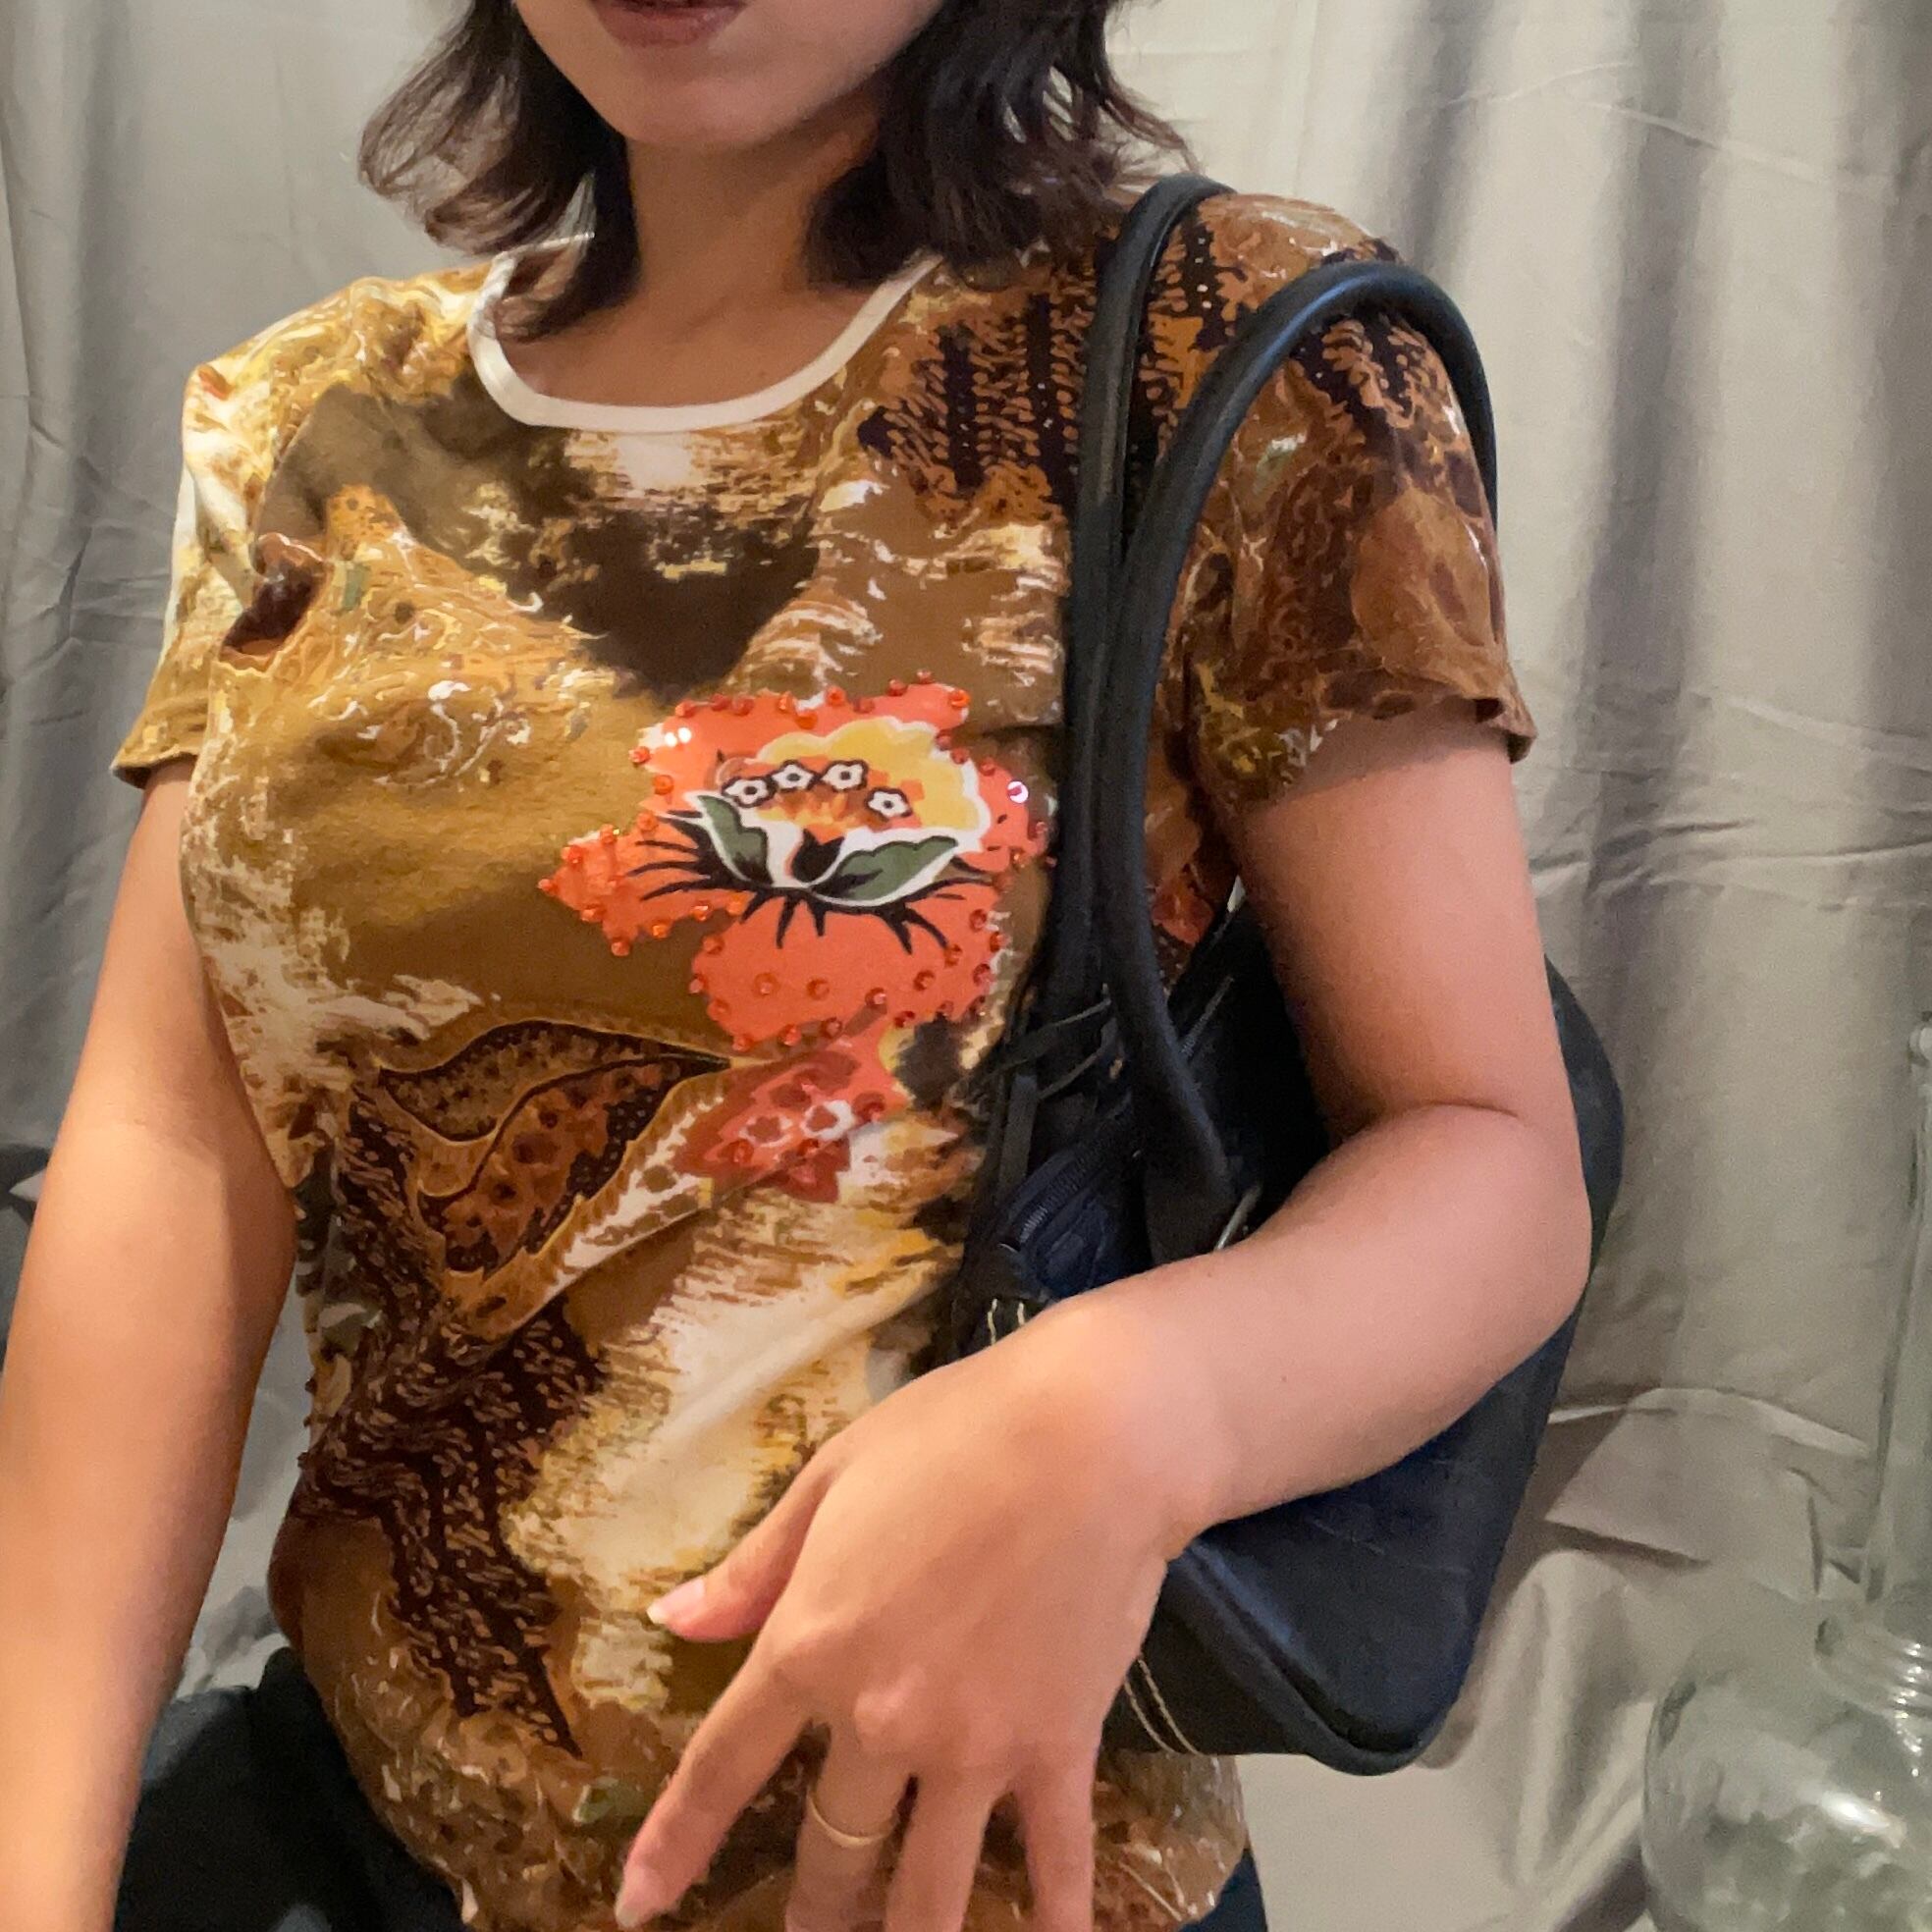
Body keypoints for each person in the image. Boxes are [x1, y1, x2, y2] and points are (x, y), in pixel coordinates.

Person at [0, 1, 1593, 1929]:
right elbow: (175, 1158)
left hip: (941, 1860)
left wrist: (1133, 1407)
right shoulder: (312, 422)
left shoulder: (1219, 353)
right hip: (373, 1813)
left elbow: (1488, 1152)